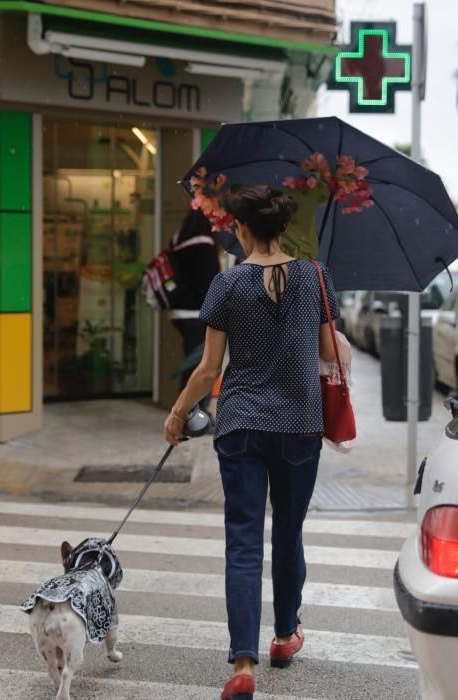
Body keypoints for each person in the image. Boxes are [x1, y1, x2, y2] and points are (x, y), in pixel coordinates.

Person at [164, 186, 339, 700]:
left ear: (240, 229)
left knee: (243, 542)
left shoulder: (228, 284)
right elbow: (330, 350)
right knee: (289, 531)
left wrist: (177, 416)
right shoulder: (316, 277)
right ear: (282, 227)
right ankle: (285, 636)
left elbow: (208, 370)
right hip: (301, 424)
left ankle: (243, 665)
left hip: (241, 424)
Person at [169, 209, 220, 416]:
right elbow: (209, 283)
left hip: (180, 312)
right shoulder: (203, 245)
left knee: (193, 365)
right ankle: (192, 414)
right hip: (197, 313)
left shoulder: (179, 239)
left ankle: (188, 411)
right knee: (200, 367)